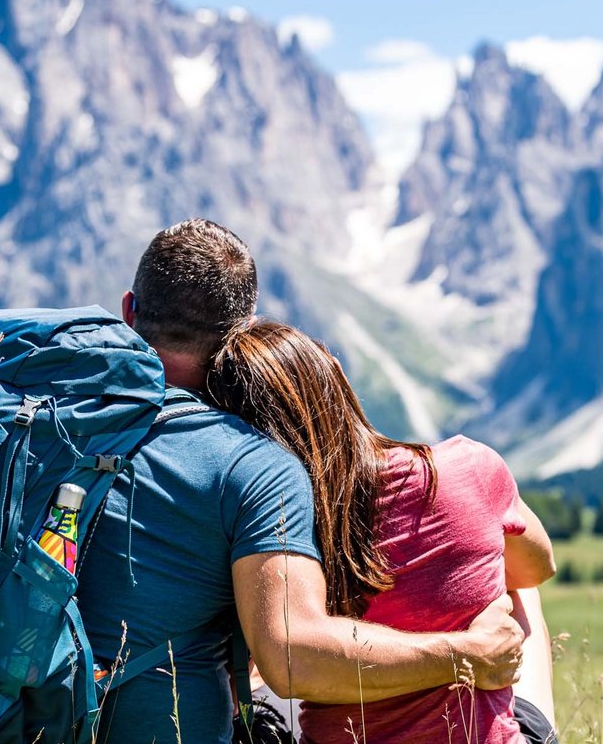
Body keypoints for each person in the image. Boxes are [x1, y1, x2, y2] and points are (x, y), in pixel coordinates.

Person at [74, 219, 525, 743]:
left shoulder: (45, 414)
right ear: (240, 333)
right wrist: (470, 655)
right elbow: (292, 654)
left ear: (129, 312)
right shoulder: (253, 466)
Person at [207, 318, 561, 743]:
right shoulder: (471, 467)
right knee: (517, 582)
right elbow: (539, 566)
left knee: (257, 658)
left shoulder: (273, 525)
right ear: (336, 377)